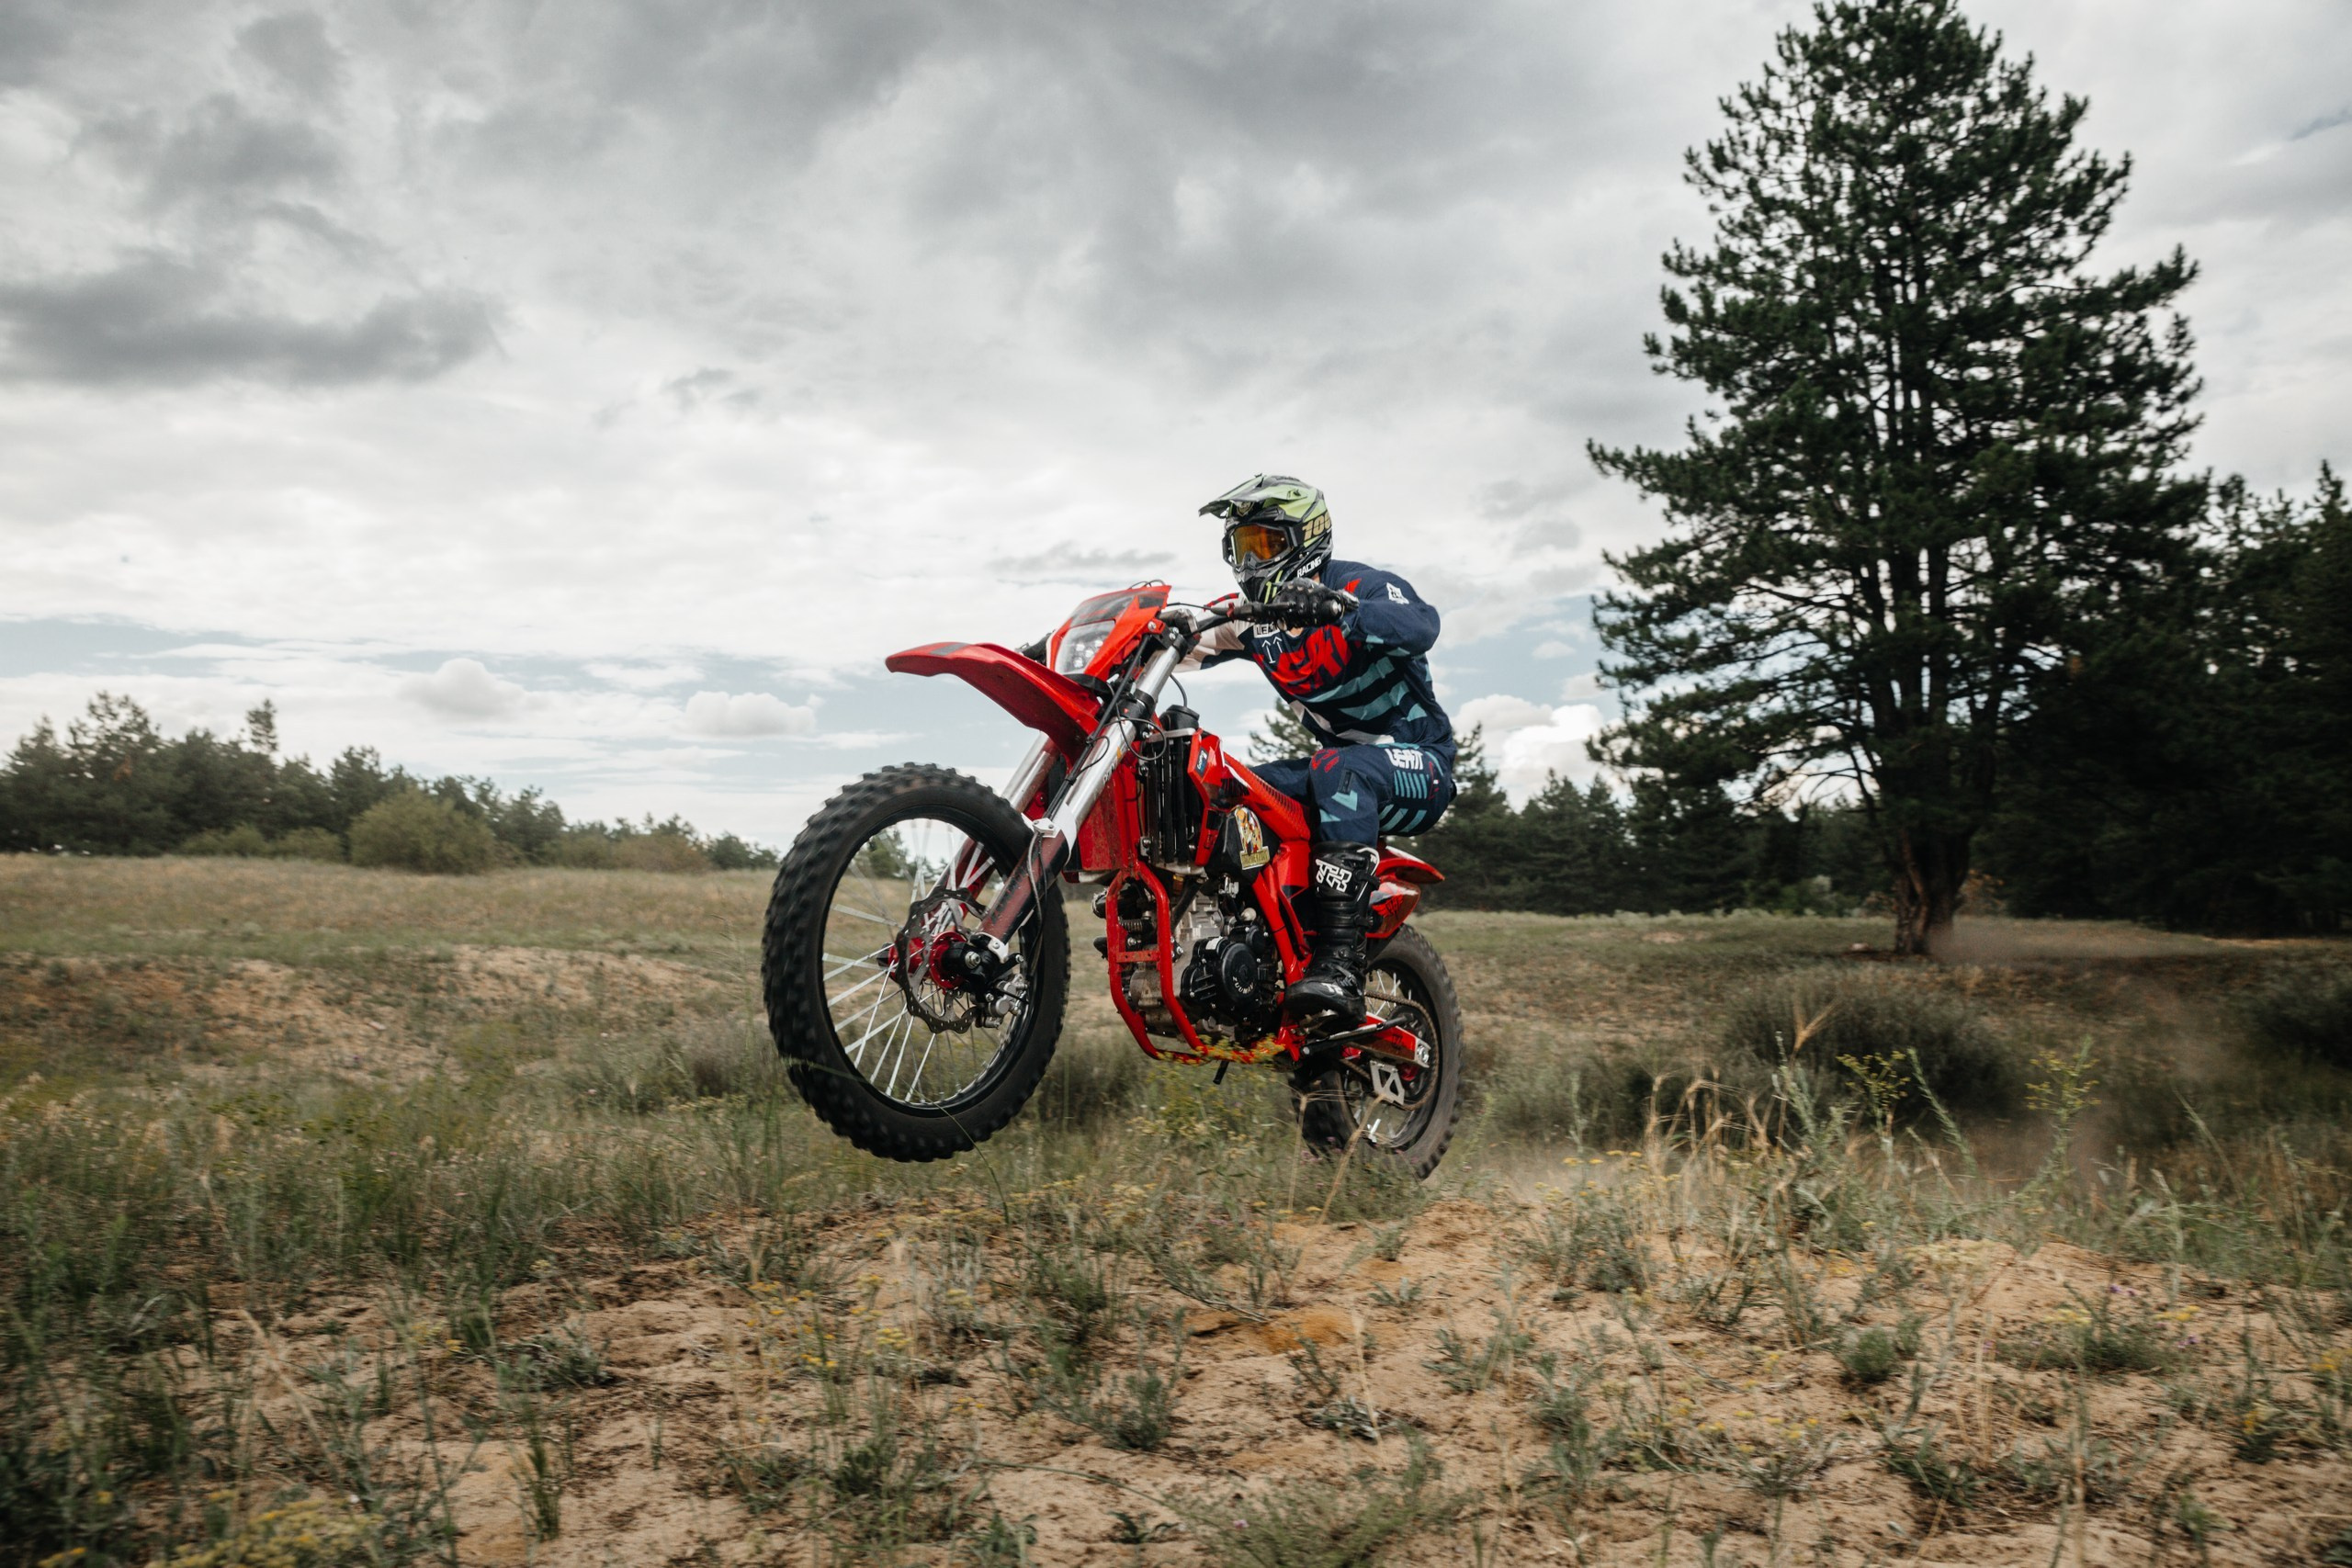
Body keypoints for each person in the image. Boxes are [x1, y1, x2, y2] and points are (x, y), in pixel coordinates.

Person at [1188, 474, 1456, 1019]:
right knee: (1228, 787)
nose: (1252, 561)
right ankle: (1247, 949)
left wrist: (1340, 609)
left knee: (1338, 769)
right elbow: (1183, 633)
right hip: (1338, 770)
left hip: (1421, 765)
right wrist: (1065, 651)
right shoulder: (1253, 618)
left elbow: (1421, 624)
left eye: (1266, 543)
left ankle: (1341, 966)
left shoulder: (1358, 585)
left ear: (1306, 537)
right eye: (1242, 546)